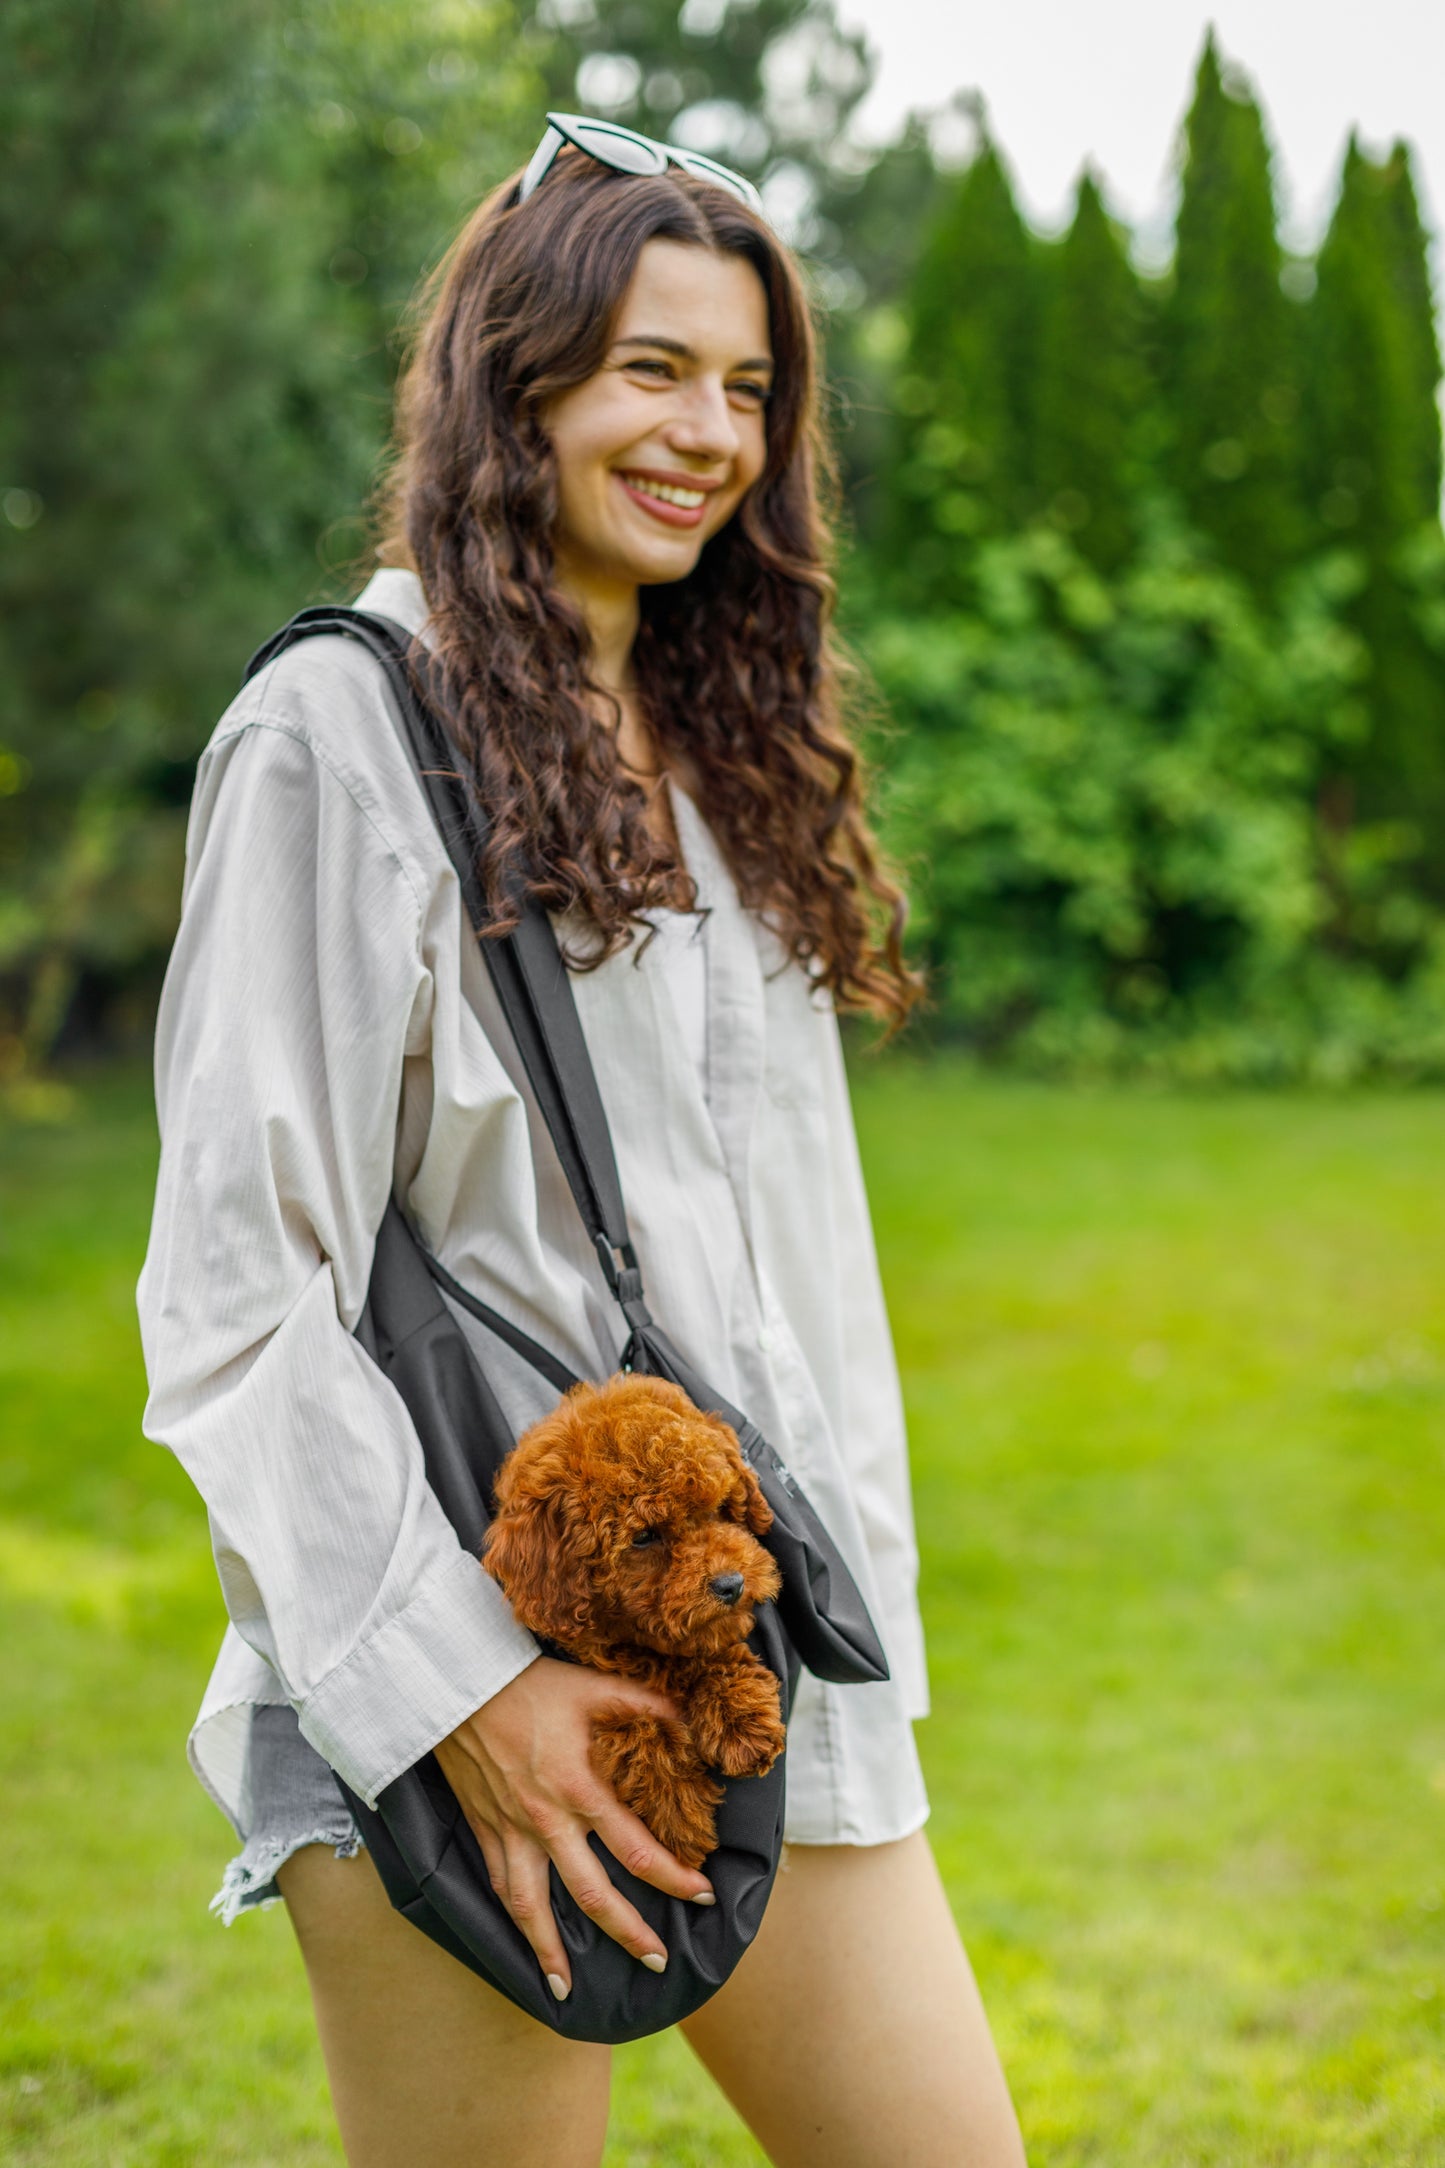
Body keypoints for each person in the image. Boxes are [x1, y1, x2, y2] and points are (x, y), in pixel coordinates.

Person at [137, 116, 1027, 2168]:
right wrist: (462, 1692)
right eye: (649, 367)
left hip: (754, 1659)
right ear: (509, 378)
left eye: (747, 387)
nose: (709, 431)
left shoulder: (721, 744)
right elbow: (238, 1286)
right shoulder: (345, 731)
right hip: (474, 1676)